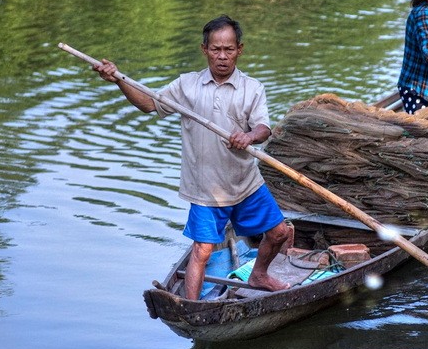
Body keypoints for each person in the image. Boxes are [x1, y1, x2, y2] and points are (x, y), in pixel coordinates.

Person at [94, 15, 290, 298]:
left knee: (279, 233)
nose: (222, 56)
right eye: (215, 49)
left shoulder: (252, 88)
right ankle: (191, 306)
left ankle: (259, 275)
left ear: (240, 49)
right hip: (205, 187)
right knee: (202, 250)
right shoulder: (186, 86)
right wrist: (118, 80)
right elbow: (149, 104)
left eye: (229, 49)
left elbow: (263, 128)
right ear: (204, 50)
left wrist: (248, 136)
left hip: (245, 183)